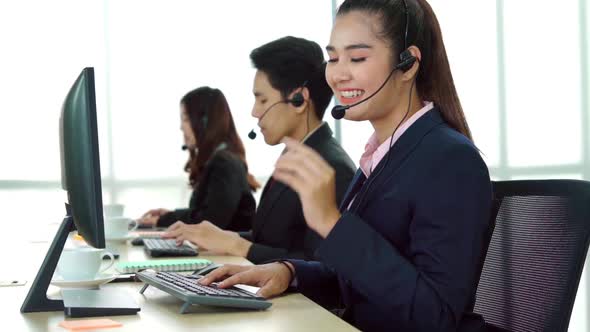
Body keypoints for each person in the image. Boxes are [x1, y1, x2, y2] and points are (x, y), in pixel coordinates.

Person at [197, 1, 492, 331]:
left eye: (357, 58)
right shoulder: (383, 154)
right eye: (333, 58)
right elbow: (362, 279)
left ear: (408, 64)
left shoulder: (450, 160)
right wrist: (290, 272)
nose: (337, 74)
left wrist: (332, 223)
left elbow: (435, 315)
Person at [163, 36, 356, 264]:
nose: (255, 112)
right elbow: (273, 241)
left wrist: (237, 245)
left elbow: (322, 265)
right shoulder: (295, 157)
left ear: (298, 100)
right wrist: (221, 237)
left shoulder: (331, 167)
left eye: (262, 100)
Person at [139, 87, 259, 232]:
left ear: (204, 121)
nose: (181, 127)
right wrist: (170, 215)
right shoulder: (219, 159)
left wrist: (162, 220)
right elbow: (206, 211)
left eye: (185, 119)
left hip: (228, 254)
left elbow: (209, 222)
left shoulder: (224, 163)